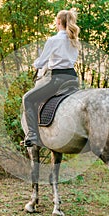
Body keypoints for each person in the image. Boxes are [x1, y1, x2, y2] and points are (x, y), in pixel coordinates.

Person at [22, 9, 80, 147]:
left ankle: (32, 135)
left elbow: (41, 62)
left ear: (58, 22)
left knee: (28, 99)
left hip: (58, 79)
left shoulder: (54, 40)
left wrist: (35, 63)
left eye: (56, 21)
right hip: (73, 78)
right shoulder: (75, 41)